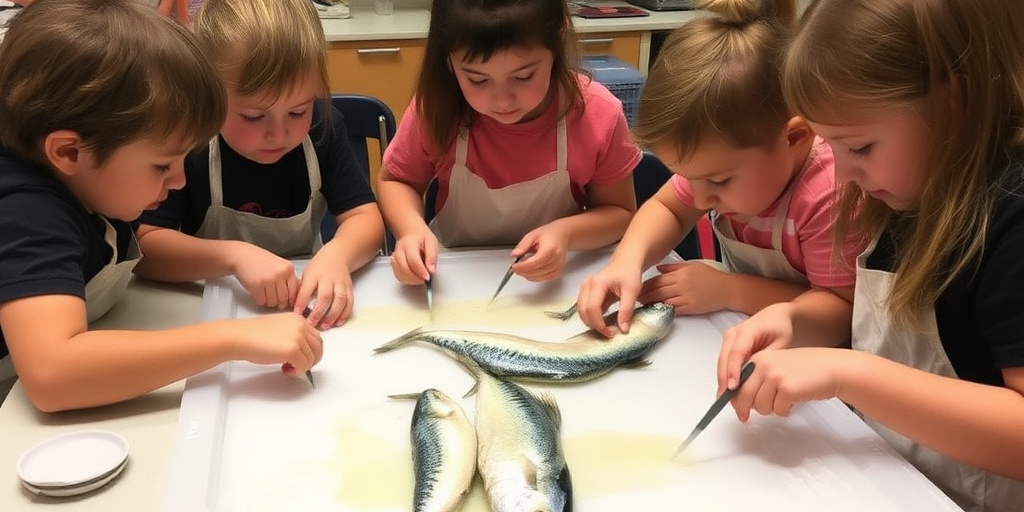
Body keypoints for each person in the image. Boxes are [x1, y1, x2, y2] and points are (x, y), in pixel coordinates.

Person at [716, 0, 1024, 509]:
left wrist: (849, 374)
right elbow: (879, 334)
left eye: (858, 147)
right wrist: (795, 323)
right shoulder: (909, 189)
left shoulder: (1010, 214)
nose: (841, 176)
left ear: (952, 103)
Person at [0, 0, 322, 412]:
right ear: (68, 152)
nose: (179, 181)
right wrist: (231, 338)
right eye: (161, 165)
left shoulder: (90, 183)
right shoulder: (28, 213)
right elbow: (53, 374)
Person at [576, 0, 863, 338]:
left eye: (719, 180)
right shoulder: (722, 167)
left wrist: (729, 290)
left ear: (795, 137)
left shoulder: (827, 194)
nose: (700, 198)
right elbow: (667, 207)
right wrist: (627, 262)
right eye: (689, 178)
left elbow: (842, 310)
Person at [135, 0, 385, 329]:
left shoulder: (323, 130)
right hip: (216, 308)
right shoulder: (190, 145)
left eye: (298, 111)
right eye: (254, 116)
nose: (279, 133)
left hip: (300, 304)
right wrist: (234, 257)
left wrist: (338, 255)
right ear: (209, 94)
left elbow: (365, 218)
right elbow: (146, 246)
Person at [377, 0, 641, 288]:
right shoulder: (438, 109)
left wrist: (566, 233)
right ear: (449, 59)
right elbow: (396, 181)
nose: (502, 101)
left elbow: (620, 213)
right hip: (454, 279)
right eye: (477, 80)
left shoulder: (596, 115)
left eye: (524, 76)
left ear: (558, 38)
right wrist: (410, 230)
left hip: (556, 283)